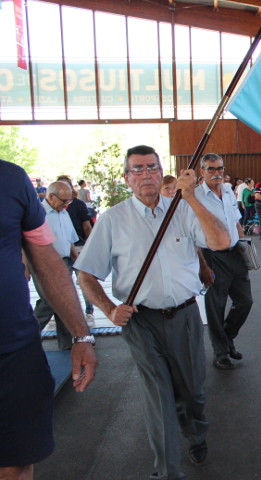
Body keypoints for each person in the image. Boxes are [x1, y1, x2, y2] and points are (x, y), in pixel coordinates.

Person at [76, 145, 230, 479]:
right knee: (158, 399)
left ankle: (196, 433)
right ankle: (167, 472)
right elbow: (86, 274)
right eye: (137, 169)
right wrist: (109, 308)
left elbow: (221, 241)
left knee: (192, 392)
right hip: (140, 322)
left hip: (187, 316)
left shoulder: (184, 209)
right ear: (126, 178)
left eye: (152, 168)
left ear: (162, 173)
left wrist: (190, 197)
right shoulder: (113, 220)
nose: (146, 174)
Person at [0, 160, 97, 480]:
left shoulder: (12, 180)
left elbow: (48, 261)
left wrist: (81, 336)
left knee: (15, 465)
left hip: (13, 353)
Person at [194, 153, 253, 371]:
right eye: (211, 169)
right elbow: (193, 234)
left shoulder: (228, 191)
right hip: (212, 256)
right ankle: (220, 353)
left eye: (220, 168)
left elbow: (236, 222)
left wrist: (245, 248)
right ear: (202, 171)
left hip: (235, 253)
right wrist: (203, 265)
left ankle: (227, 338)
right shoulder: (196, 197)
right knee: (216, 307)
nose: (217, 173)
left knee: (245, 302)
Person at [31, 181, 80, 351]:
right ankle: (27, 337)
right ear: (51, 196)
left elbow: (70, 241)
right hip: (43, 264)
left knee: (64, 302)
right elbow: (24, 241)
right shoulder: (37, 213)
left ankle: (67, 345)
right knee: (49, 300)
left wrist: (77, 262)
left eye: (69, 201)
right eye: (64, 201)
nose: (66, 205)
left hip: (64, 262)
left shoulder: (63, 213)